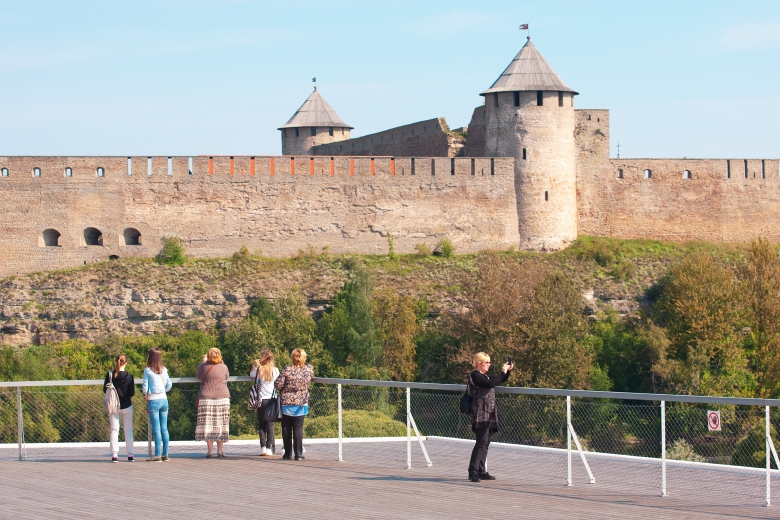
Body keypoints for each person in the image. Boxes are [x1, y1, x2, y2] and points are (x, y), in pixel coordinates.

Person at [467, 352, 512, 482]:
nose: (488, 365)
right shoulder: (475, 376)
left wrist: (506, 371)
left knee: (486, 443)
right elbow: (490, 384)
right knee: (481, 443)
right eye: (487, 363)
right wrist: (502, 372)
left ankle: (481, 470)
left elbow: (499, 379)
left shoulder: (484, 376)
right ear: (479, 364)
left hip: (490, 412)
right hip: (481, 413)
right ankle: (472, 472)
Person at [274, 348, 314, 461]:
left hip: (286, 402)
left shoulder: (287, 369)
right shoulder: (309, 370)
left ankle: (287, 454)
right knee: (298, 428)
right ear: (304, 358)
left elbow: (278, 385)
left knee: (286, 428)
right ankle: (298, 454)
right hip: (301, 402)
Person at [196, 347, 231, 458]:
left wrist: (203, 360)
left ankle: (210, 451)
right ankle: (220, 451)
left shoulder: (203, 366)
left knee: (208, 424)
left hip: (206, 398)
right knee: (221, 424)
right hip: (223, 397)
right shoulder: (223, 367)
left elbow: (198, 375)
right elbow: (227, 376)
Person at [142, 348, 172, 462]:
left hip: (153, 400)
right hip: (164, 399)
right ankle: (166, 454)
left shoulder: (148, 371)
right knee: (164, 428)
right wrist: (162, 390)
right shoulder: (164, 369)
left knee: (156, 428)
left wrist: (148, 393)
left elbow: (145, 388)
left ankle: (157, 455)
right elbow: (169, 384)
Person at [103, 353, 135, 462]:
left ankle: (114, 455)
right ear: (126, 363)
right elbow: (132, 393)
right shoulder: (129, 376)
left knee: (114, 429)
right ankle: (130, 454)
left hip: (113, 406)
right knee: (128, 429)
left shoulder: (110, 375)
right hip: (127, 405)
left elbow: (105, 390)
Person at [249, 349, 280, 456]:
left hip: (260, 399)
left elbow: (251, 375)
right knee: (270, 424)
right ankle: (269, 448)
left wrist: (255, 365)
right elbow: (279, 382)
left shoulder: (259, 370)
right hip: (271, 399)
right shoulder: (275, 370)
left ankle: (262, 447)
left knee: (261, 423)